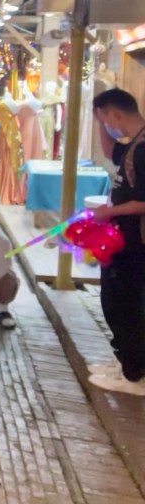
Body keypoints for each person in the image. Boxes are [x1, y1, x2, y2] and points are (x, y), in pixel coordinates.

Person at [88, 88, 145, 396]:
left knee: (124, 306)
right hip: (124, 240)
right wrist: (99, 122)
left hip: (135, 244)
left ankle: (134, 375)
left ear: (116, 114)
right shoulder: (133, 144)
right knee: (115, 302)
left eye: (106, 118)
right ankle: (125, 361)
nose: (106, 124)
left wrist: (109, 212)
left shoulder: (143, 149)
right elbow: (112, 153)